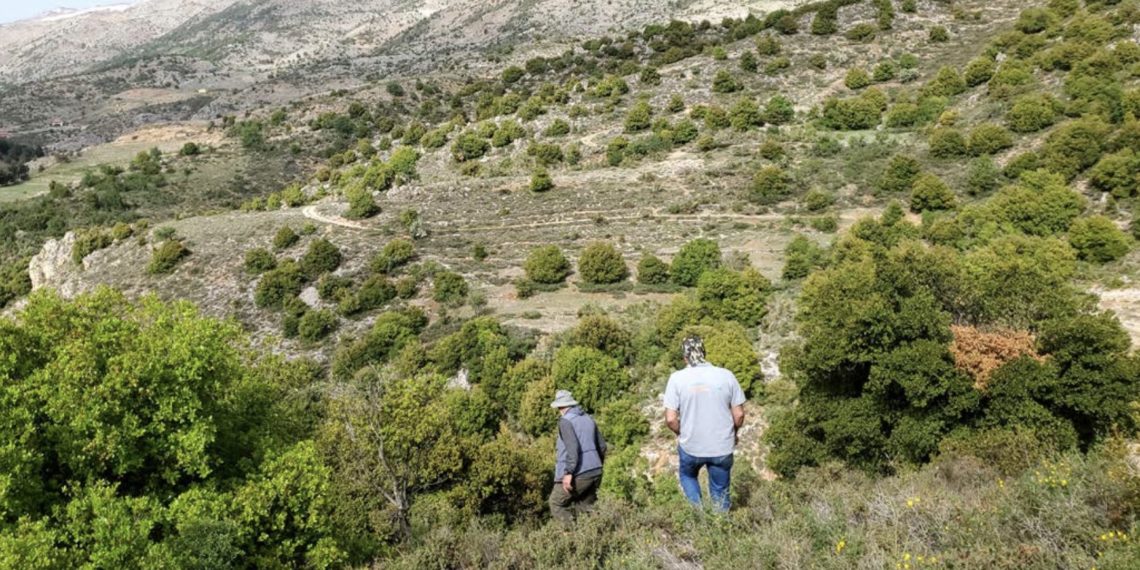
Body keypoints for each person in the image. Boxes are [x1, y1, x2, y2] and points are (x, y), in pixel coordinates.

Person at [663, 335, 746, 511]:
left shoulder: (677, 378)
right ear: (704, 352)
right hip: (721, 447)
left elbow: (670, 419)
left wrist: (681, 433)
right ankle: (720, 527)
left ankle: (698, 516)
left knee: (688, 476)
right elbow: (738, 415)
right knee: (720, 491)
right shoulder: (726, 375)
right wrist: (734, 433)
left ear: (684, 357)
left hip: (691, 445)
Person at [548, 390, 607, 522]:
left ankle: (573, 536)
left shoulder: (565, 421)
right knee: (585, 508)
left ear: (560, 407)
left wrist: (568, 473)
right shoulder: (588, 418)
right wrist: (597, 465)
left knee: (556, 503)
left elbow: (572, 449)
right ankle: (597, 536)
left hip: (579, 473)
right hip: (596, 470)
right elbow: (602, 447)